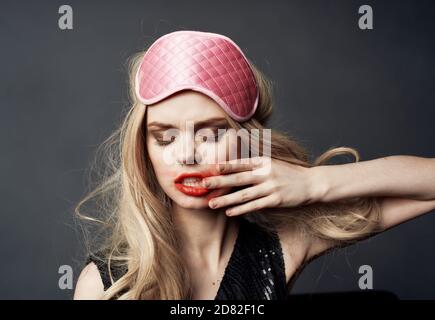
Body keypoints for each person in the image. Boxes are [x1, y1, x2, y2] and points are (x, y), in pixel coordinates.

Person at [73, 30, 435, 300]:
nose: (187, 155)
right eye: (165, 138)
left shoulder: (285, 246)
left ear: (249, 141)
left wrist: (313, 183)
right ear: (144, 152)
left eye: (212, 135)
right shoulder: (105, 283)